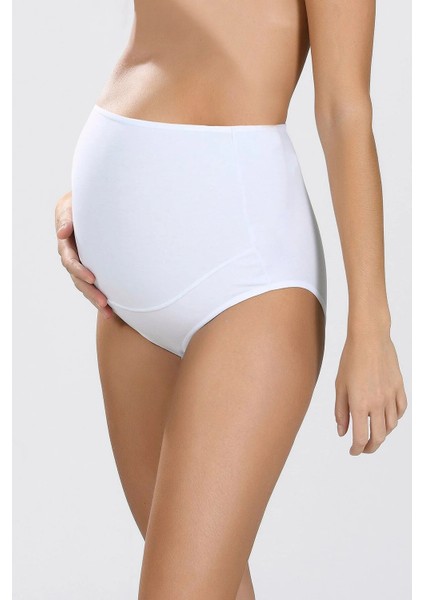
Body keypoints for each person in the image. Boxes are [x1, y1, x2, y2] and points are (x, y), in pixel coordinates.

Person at [55, 1, 408, 598]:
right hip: (120, 292)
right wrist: (97, 197)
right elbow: (166, 43)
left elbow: (344, 109)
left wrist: (371, 327)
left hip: (244, 271)